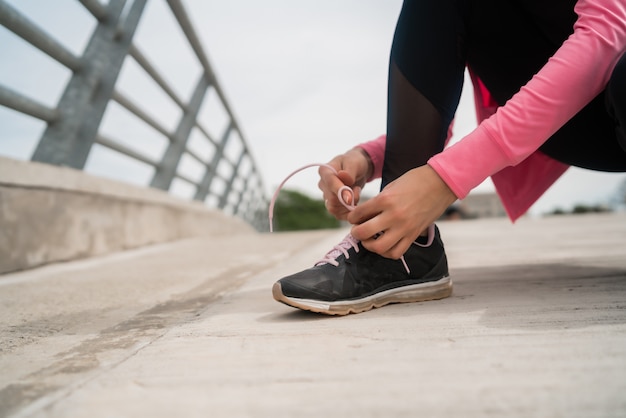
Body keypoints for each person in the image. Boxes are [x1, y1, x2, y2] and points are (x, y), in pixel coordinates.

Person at [272, 0, 626, 315]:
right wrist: (369, 157)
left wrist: (444, 180)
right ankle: (404, 250)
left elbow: (607, 34)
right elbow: (440, 107)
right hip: (574, 125)